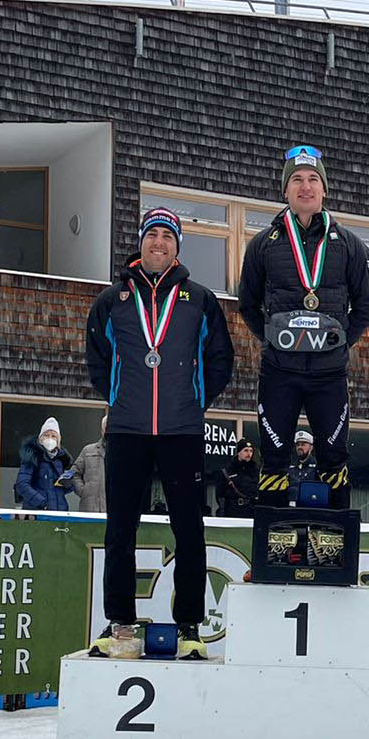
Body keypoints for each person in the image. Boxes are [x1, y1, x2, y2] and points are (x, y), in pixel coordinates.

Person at [84, 205, 235, 659]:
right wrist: (116, 396)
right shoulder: (113, 299)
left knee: (189, 530)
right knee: (120, 530)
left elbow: (220, 358)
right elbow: (95, 357)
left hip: (182, 430)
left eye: (168, 237)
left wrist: (193, 400)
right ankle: (119, 625)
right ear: (142, 242)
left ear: (177, 247)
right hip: (128, 430)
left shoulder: (199, 299)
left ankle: (189, 626)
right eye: (153, 235)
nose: (159, 242)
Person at [236, 144, 369, 507]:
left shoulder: (350, 245)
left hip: (329, 375)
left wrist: (341, 343)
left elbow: (366, 305)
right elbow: (247, 304)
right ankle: (273, 539)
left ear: (324, 189)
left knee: (333, 456)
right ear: (285, 190)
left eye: (313, 179)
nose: (305, 186)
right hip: (279, 372)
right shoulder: (262, 244)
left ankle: (334, 543)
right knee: (275, 456)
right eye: (296, 179)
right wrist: (273, 338)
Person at [15, 417, 76, 512]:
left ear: (58, 440)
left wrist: (69, 485)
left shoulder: (61, 460)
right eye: (46, 435)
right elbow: (21, 485)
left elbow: (60, 490)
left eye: (53, 436)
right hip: (37, 512)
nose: (50, 439)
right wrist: (42, 503)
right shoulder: (32, 457)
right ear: (40, 438)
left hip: (59, 511)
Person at [71, 416, 107, 513]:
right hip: (90, 509)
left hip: (114, 511)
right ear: (101, 430)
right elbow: (74, 474)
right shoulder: (88, 450)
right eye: (106, 427)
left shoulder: (123, 454)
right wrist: (84, 491)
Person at [214, 439, 259, 517]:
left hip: (251, 510)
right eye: (246, 450)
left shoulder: (255, 469)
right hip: (232, 510)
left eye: (251, 451)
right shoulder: (228, 469)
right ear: (238, 452)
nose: (249, 454)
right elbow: (219, 493)